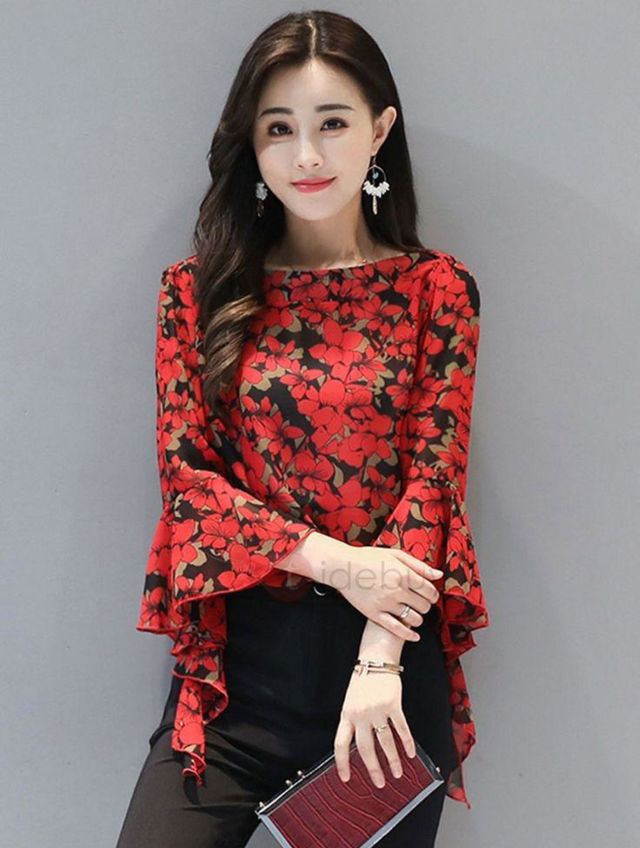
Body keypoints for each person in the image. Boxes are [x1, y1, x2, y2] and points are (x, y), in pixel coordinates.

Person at [115, 9, 490, 847]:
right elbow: (190, 489)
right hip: (236, 676)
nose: (307, 155)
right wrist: (338, 563)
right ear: (252, 145)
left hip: (384, 680)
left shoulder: (437, 290)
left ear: (379, 131)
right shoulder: (194, 294)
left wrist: (380, 661)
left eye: (332, 124)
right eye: (279, 129)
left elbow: (432, 485)